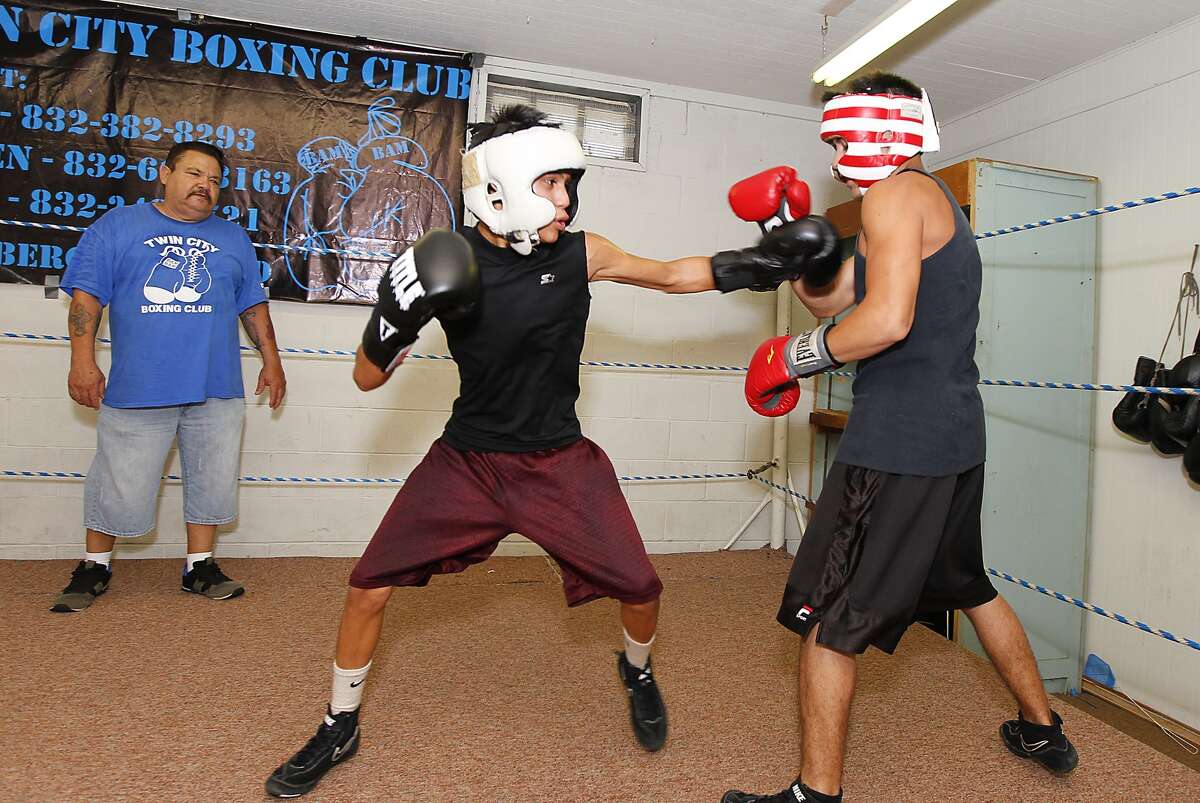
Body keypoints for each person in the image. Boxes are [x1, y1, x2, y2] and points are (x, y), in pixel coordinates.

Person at [264, 104, 819, 798]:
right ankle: (338, 722)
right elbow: (365, 377)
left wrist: (761, 263)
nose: (566, 199)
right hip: (467, 459)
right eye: (551, 183)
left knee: (642, 588)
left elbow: (673, 274)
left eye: (567, 183)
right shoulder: (448, 259)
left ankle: (638, 670)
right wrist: (396, 320)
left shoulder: (579, 251)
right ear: (499, 186)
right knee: (366, 585)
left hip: (559, 460)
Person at [723, 72, 1079, 803]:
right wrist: (784, 241)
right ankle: (1042, 726)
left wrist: (794, 356)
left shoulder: (892, 197)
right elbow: (837, 297)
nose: (838, 153)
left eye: (844, 136)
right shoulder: (926, 202)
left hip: (898, 443)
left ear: (887, 128)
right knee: (970, 584)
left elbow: (884, 321)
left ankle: (814, 794)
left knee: (828, 613)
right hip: (953, 435)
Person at [52, 140, 286, 613]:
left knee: (212, 479)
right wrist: (82, 361)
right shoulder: (118, 226)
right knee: (117, 479)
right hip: (141, 386)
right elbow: (86, 298)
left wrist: (272, 359)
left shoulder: (233, 238)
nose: (205, 185)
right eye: (195, 173)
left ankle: (199, 565)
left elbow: (251, 303)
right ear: (165, 173)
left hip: (216, 385)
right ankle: (94, 566)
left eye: (215, 180)